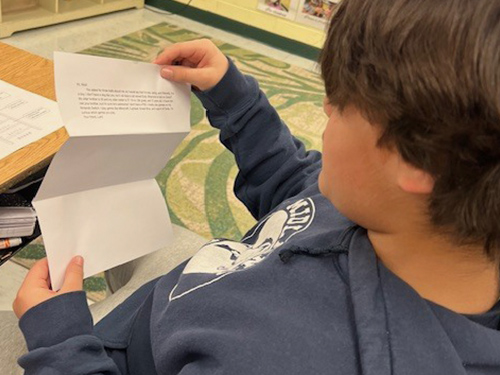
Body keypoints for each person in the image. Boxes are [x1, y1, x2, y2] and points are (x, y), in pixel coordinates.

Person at [12, 0, 500, 373]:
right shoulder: (407, 220)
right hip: (189, 298)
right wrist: (233, 96)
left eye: (343, 100)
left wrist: (60, 340)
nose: (326, 108)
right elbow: (299, 190)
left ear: (415, 160)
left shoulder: (275, 360)